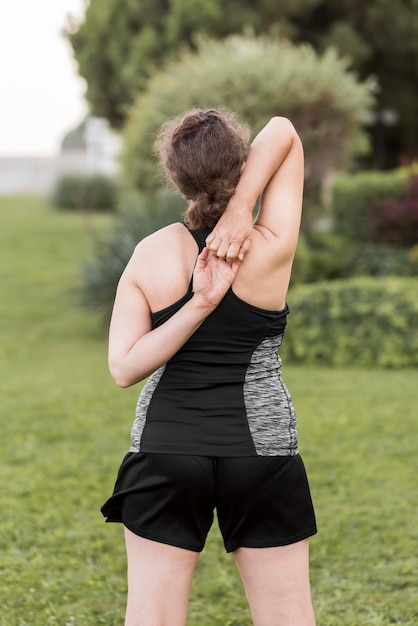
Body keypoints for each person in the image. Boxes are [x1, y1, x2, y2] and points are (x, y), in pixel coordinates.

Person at [101, 108, 317, 626]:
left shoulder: (150, 253)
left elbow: (123, 369)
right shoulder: (268, 246)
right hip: (261, 453)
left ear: (177, 179)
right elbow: (284, 131)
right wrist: (245, 210)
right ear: (243, 164)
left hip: (164, 448)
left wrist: (198, 304)